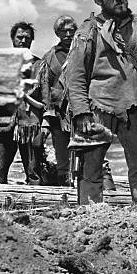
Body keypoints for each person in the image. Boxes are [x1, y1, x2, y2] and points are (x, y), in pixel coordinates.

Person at [66, 0, 137, 204]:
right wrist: (82, 112)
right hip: (97, 109)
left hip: (133, 107)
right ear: (98, 0)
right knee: (91, 170)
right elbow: (75, 75)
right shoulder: (88, 31)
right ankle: (91, 218)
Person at [0, 22, 50, 184]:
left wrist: (45, 124)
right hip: (4, 125)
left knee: (34, 172)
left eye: (27, 38)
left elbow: (46, 98)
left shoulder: (40, 66)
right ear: (12, 39)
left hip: (30, 126)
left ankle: (36, 206)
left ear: (32, 41)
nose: (23, 41)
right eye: (19, 37)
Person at [39, 15, 77, 185]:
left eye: (71, 30)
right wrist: (48, 113)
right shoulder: (50, 56)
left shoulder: (84, 51)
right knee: (62, 154)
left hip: (82, 110)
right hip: (59, 114)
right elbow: (45, 86)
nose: (68, 34)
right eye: (64, 31)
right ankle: (65, 191)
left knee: (90, 151)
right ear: (57, 33)